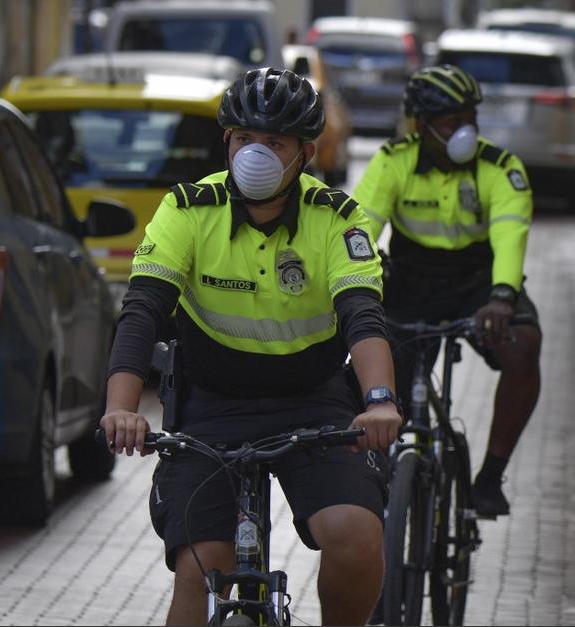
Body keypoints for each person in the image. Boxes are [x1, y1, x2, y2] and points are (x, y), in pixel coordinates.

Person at [100, 67, 402, 625]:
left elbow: (363, 317)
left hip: (312, 403)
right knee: (201, 569)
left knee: (357, 536)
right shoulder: (188, 209)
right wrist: (121, 408)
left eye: (273, 142)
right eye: (244, 139)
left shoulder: (337, 219)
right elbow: (142, 309)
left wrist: (379, 398)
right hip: (210, 405)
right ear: (226, 142)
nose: (254, 154)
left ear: (305, 152)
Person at [352, 64, 542, 518]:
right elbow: (359, 228)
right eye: (452, 122)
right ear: (421, 126)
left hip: (478, 285)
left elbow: (510, 237)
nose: (465, 130)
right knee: (364, 373)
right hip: (410, 283)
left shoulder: (500, 168)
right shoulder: (394, 161)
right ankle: (377, 483)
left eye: (470, 118)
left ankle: (490, 479)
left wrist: (502, 297)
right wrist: (358, 281)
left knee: (524, 348)